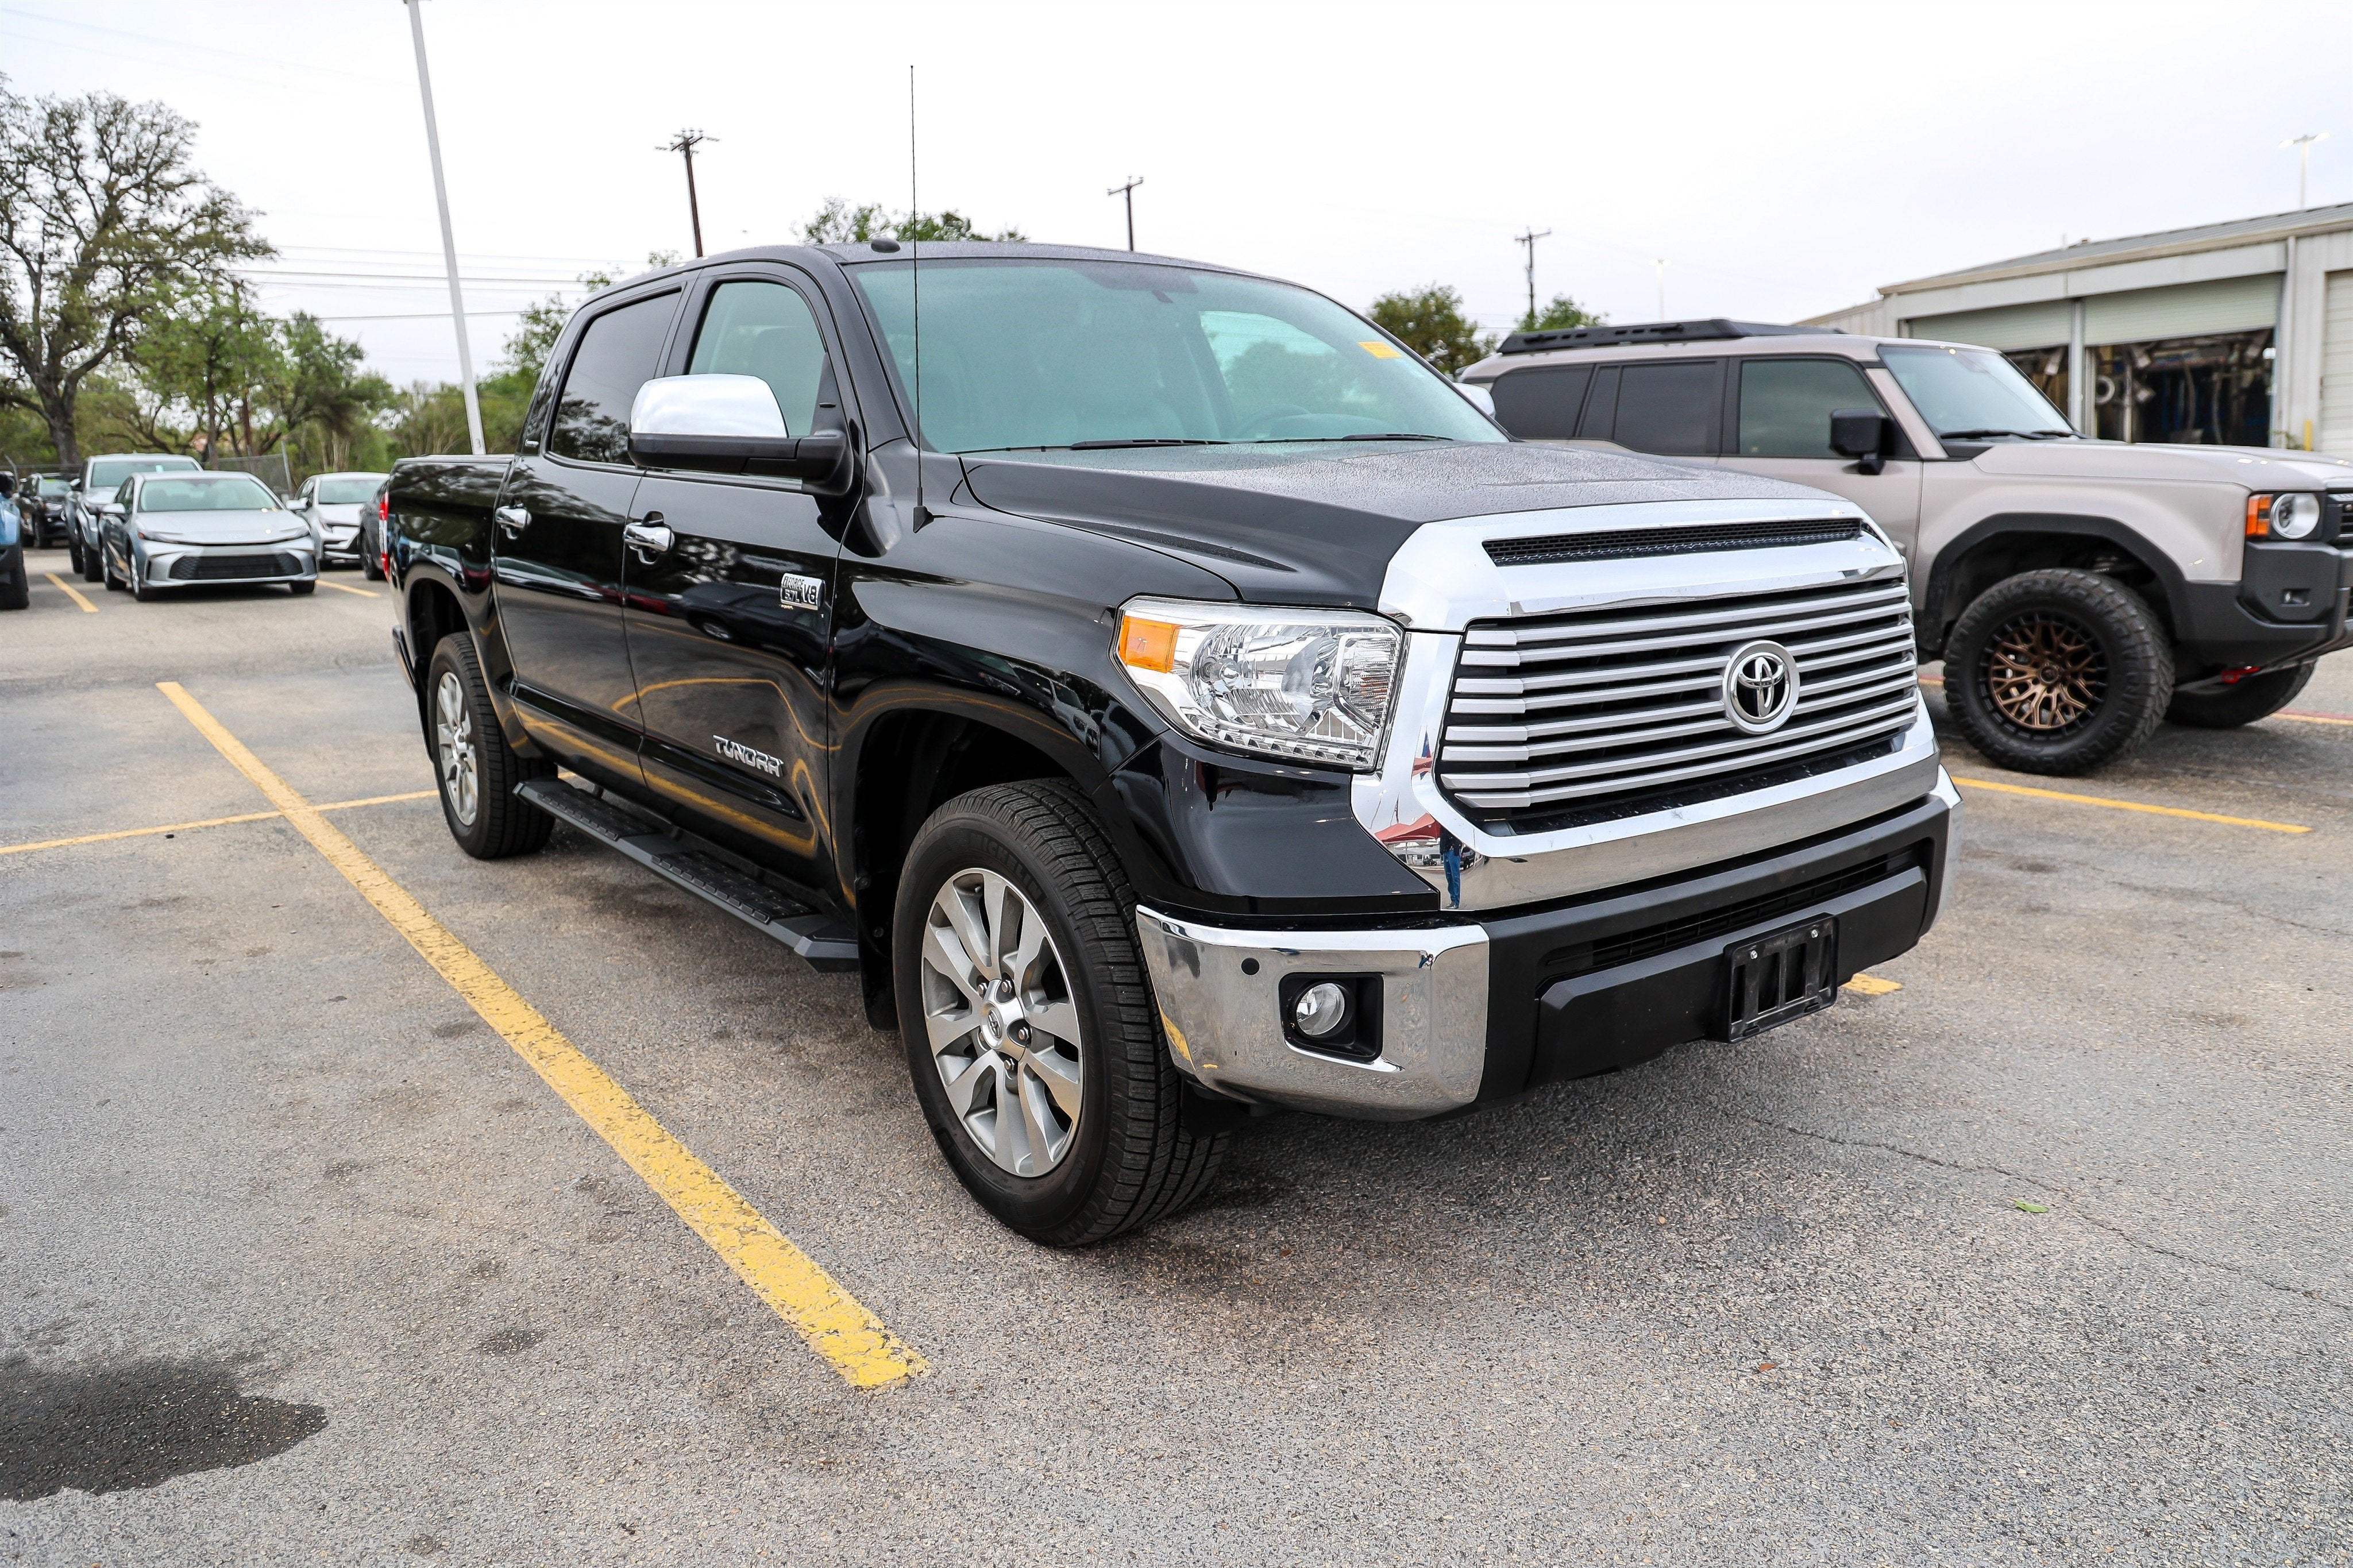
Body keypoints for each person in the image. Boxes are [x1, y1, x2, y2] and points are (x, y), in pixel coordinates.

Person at [1438, 823, 1464, 910]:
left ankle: (1456, 902)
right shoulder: (1442, 824)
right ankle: (1453, 900)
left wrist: (1454, 845)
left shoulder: (1453, 821)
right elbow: (1442, 838)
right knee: (1449, 877)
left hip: (1453, 851)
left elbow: (1460, 833)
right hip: (1446, 851)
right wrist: (1442, 850)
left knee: (1455, 876)